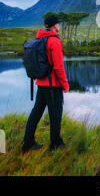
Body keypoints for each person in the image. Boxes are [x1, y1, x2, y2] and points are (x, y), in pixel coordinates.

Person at [22, 15, 70, 153]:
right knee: (56, 114)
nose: (59, 26)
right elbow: (58, 67)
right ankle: (55, 144)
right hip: (53, 85)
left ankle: (28, 143)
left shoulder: (40, 39)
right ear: (55, 25)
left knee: (36, 113)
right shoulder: (54, 41)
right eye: (58, 24)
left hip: (41, 82)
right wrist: (65, 85)